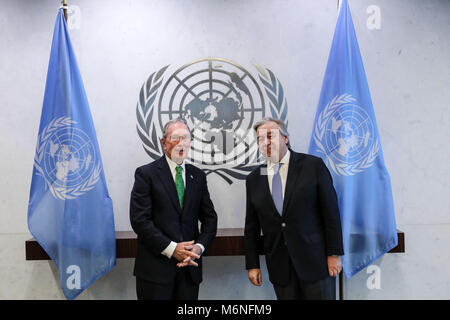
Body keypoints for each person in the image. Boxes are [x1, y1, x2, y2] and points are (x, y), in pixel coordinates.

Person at [244, 117, 344, 300]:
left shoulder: (313, 166)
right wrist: (252, 264)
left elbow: (331, 214)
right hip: (280, 267)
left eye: (270, 136)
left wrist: (334, 253)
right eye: (260, 139)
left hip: (316, 263)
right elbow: (251, 227)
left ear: (285, 138)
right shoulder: (254, 179)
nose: (265, 142)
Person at [130, 118, 218, 300]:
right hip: (155, 273)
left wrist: (199, 248)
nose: (180, 143)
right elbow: (140, 220)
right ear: (164, 143)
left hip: (189, 270)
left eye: (185, 138)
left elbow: (210, 219)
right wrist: (172, 248)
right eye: (175, 138)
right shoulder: (146, 174)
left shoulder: (198, 176)